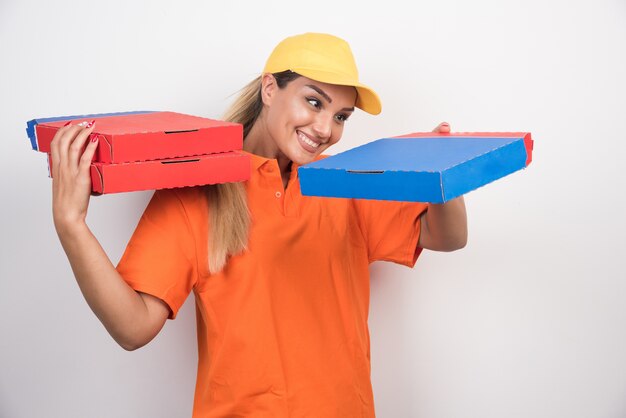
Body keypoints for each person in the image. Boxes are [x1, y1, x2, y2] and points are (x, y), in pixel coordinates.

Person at [50, 33, 467, 417]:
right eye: (314, 102)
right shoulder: (197, 193)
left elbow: (447, 237)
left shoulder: (344, 182)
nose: (325, 129)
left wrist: (443, 174)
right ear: (270, 89)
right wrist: (72, 225)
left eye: (341, 117)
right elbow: (132, 327)